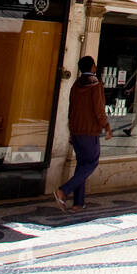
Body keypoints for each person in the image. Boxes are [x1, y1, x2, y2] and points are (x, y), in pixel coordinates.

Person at [54, 56, 112, 211]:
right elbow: (99, 109)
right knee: (92, 162)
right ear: (93, 67)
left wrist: (71, 131)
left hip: (77, 130)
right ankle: (64, 190)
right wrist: (106, 125)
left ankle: (79, 203)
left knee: (81, 166)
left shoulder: (75, 85)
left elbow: (71, 109)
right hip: (89, 131)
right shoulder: (95, 85)